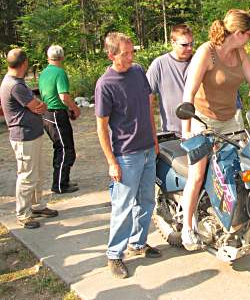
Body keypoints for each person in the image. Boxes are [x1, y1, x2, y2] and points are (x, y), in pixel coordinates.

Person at [181, 9, 250, 250]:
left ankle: (236, 218)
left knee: (246, 165)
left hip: (231, 119)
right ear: (239, 33)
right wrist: (187, 128)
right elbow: (189, 91)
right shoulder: (207, 52)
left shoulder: (240, 53)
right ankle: (187, 227)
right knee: (198, 173)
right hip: (203, 119)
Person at [95, 32, 161, 279]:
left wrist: (154, 140)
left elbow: (148, 105)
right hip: (126, 155)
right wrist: (112, 162)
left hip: (147, 150)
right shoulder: (105, 84)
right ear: (112, 55)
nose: (131, 56)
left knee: (147, 201)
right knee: (123, 207)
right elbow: (101, 127)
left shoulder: (138, 71)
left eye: (132, 51)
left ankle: (138, 242)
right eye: (126, 53)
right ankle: (114, 254)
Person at [0, 48, 58, 229]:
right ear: (24, 63)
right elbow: (36, 106)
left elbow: (35, 105)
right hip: (24, 137)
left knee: (37, 173)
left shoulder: (16, 81)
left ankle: (36, 205)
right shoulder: (14, 85)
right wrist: (41, 105)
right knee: (27, 176)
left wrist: (38, 106)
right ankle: (23, 213)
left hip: (32, 134)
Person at [39, 45, 80, 194]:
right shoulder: (60, 72)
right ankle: (60, 184)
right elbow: (63, 96)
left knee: (60, 147)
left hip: (47, 114)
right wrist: (74, 108)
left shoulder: (44, 73)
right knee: (65, 149)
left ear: (48, 57)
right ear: (62, 57)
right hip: (56, 113)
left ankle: (63, 180)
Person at [146, 24, 194, 135]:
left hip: (198, 131)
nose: (190, 48)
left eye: (192, 44)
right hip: (171, 133)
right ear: (173, 43)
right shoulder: (159, 65)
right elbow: (147, 101)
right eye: (184, 45)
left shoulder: (199, 62)